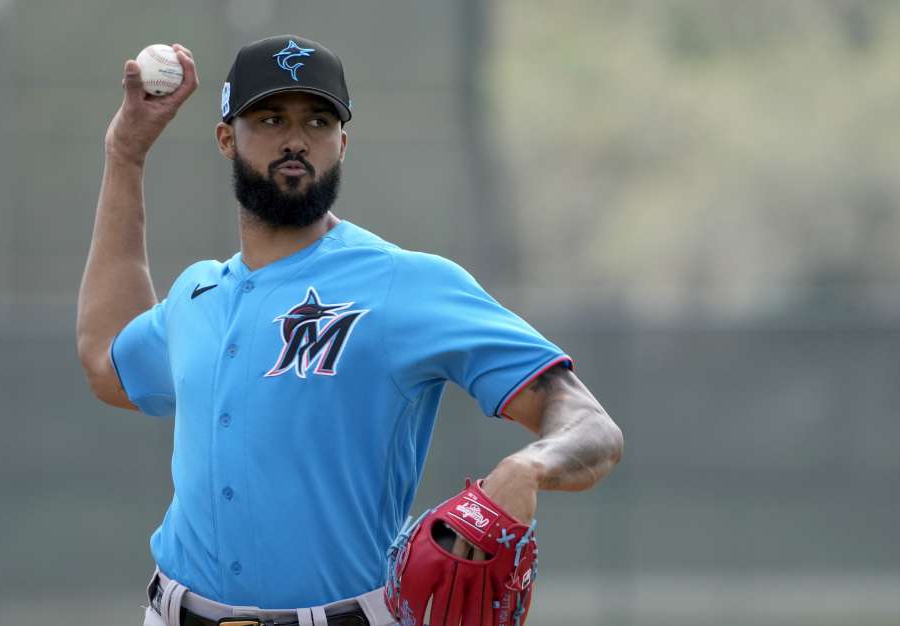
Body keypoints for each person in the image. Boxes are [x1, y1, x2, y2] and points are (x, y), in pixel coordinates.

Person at [76, 34, 623, 626]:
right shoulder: (197, 295)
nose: (295, 138)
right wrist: (124, 155)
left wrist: (526, 468)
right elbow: (107, 362)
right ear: (227, 139)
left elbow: (589, 424)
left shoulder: (404, 283)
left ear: (343, 142)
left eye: (318, 119)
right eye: (269, 118)